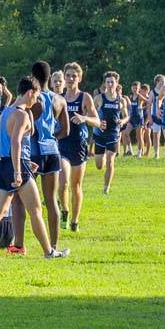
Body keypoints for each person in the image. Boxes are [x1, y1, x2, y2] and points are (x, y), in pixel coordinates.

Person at [0, 76, 68, 259]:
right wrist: (19, 169)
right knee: (36, 210)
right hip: (16, 167)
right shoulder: (21, 114)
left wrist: (25, 162)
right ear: (30, 93)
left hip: (4, 164)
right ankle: (49, 252)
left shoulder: (6, 111)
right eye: (35, 97)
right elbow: (16, 142)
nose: (36, 101)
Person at [28, 60, 69, 248]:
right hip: (52, 151)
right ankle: (53, 245)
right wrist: (52, 137)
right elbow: (66, 130)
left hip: (33, 151)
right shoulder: (59, 100)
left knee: (23, 200)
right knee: (51, 200)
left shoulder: (32, 99)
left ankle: (18, 243)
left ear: (33, 77)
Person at [57, 62, 98, 233]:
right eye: (68, 76)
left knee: (76, 186)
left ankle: (75, 221)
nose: (71, 78)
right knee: (63, 182)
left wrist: (84, 118)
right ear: (64, 78)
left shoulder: (85, 97)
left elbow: (97, 120)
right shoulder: (58, 98)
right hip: (62, 143)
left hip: (79, 146)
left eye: (74, 75)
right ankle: (65, 210)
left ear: (79, 78)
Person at [92, 71, 128, 194]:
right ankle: (103, 173)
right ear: (105, 84)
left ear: (117, 83)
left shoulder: (121, 100)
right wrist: (97, 121)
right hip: (100, 134)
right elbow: (90, 114)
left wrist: (123, 121)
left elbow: (127, 116)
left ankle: (106, 188)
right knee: (99, 165)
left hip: (114, 134)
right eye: (108, 82)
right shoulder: (98, 98)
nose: (110, 84)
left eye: (112, 82)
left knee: (110, 161)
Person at [148, 74, 165, 161]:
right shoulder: (152, 92)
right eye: (162, 81)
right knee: (156, 136)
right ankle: (156, 154)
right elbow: (149, 106)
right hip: (155, 117)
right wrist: (150, 118)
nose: (163, 83)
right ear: (157, 82)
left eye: (164, 82)